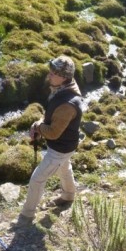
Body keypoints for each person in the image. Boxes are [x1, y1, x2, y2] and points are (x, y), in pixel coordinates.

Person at [14, 56, 84, 227]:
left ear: (64, 76)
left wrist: (38, 127)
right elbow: (51, 117)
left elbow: (53, 133)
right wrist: (40, 123)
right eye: (50, 72)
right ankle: (68, 196)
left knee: (37, 179)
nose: (49, 76)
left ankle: (26, 215)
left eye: (54, 73)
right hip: (67, 145)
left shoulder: (67, 103)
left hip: (60, 148)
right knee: (65, 169)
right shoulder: (63, 89)